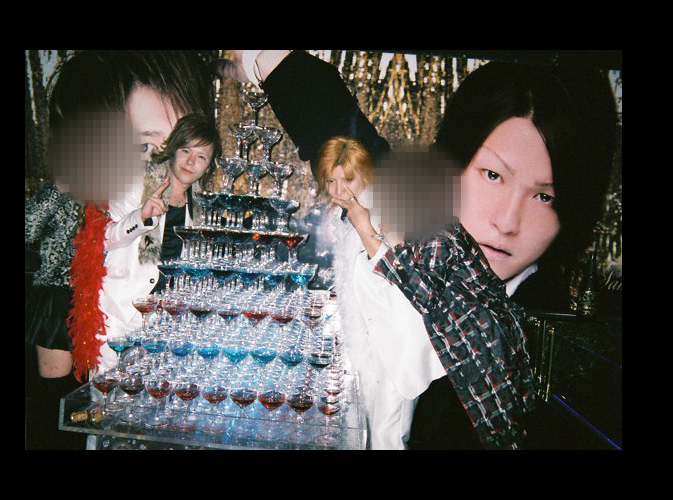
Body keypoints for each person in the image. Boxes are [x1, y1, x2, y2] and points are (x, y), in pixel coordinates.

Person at [217, 51, 617, 449]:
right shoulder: (425, 236)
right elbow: (351, 143)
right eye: (493, 175)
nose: (508, 222)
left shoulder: (563, 345)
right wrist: (264, 59)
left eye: (545, 197)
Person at [25, 50, 215, 449]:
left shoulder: (192, 198)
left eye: (182, 144)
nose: (171, 156)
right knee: (78, 415)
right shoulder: (121, 187)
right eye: (146, 145)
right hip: (95, 318)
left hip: (160, 341)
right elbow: (107, 244)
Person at [314, 137, 446, 449]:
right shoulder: (349, 213)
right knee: (362, 434)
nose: (338, 189)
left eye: (347, 179)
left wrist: (365, 228)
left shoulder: (387, 209)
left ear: (365, 175)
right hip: (366, 341)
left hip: (395, 345)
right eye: (330, 180)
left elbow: (402, 276)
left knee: (388, 438)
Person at [136, 113, 220, 292]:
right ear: (173, 150)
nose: (190, 162)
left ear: (208, 168)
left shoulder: (201, 208)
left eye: (201, 157)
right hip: (129, 301)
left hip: (173, 303)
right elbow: (106, 240)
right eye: (186, 151)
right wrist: (139, 218)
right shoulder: (137, 184)